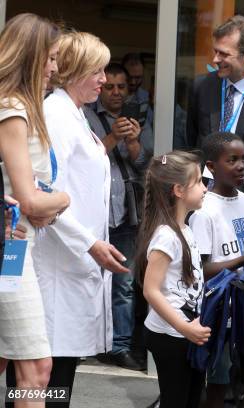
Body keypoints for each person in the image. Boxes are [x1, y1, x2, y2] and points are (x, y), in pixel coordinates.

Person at [32, 31, 130, 406]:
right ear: (72, 70)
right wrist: (88, 243)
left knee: (60, 370)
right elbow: (44, 193)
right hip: (59, 261)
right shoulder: (56, 115)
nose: (105, 80)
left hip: (75, 259)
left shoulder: (77, 115)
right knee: (43, 375)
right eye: (98, 71)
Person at [0, 14, 70, 408]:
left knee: (12, 360)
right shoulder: (12, 108)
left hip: (17, 248)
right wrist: (63, 200)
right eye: (51, 58)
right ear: (31, 57)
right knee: (37, 368)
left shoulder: (22, 108)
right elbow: (29, 198)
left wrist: (48, 207)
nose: (55, 69)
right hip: (10, 251)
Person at [189, 132, 244, 408]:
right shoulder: (203, 210)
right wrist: (241, 260)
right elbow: (201, 269)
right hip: (220, 310)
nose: (241, 166)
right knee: (218, 384)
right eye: (231, 160)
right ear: (211, 167)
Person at [84, 62, 153, 371]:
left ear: (129, 89)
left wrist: (134, 142)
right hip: (92, 213)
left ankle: (120, 346)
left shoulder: (140, 117)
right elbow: (84, 160)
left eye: (120, 87)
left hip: (126, 211)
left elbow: (147, 165)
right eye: (108, 87)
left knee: (123, 284)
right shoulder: (84, 115)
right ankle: (87, 344)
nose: (114, 93)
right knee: (88, 279)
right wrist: (112, 136)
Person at [134, 151, 209, 408]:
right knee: (175, 399)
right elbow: (151, 290)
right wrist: (184, 327)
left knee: (191, 398)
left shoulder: (185, 229)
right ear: (178, 190)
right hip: (171, 335)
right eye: (198, 181)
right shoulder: (166, 236)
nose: (204, 187)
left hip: (185, 332)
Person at [186, 15, 244, 207]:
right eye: (215, 52)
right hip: (205, 201)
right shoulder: (201, 87)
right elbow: (192, 142)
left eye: (224, 54)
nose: (215, 59)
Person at [121, 52, 154, 127]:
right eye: (129, 77)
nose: (133, 82)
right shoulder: (111, 95)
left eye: (138, 77)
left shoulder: (145, 96)